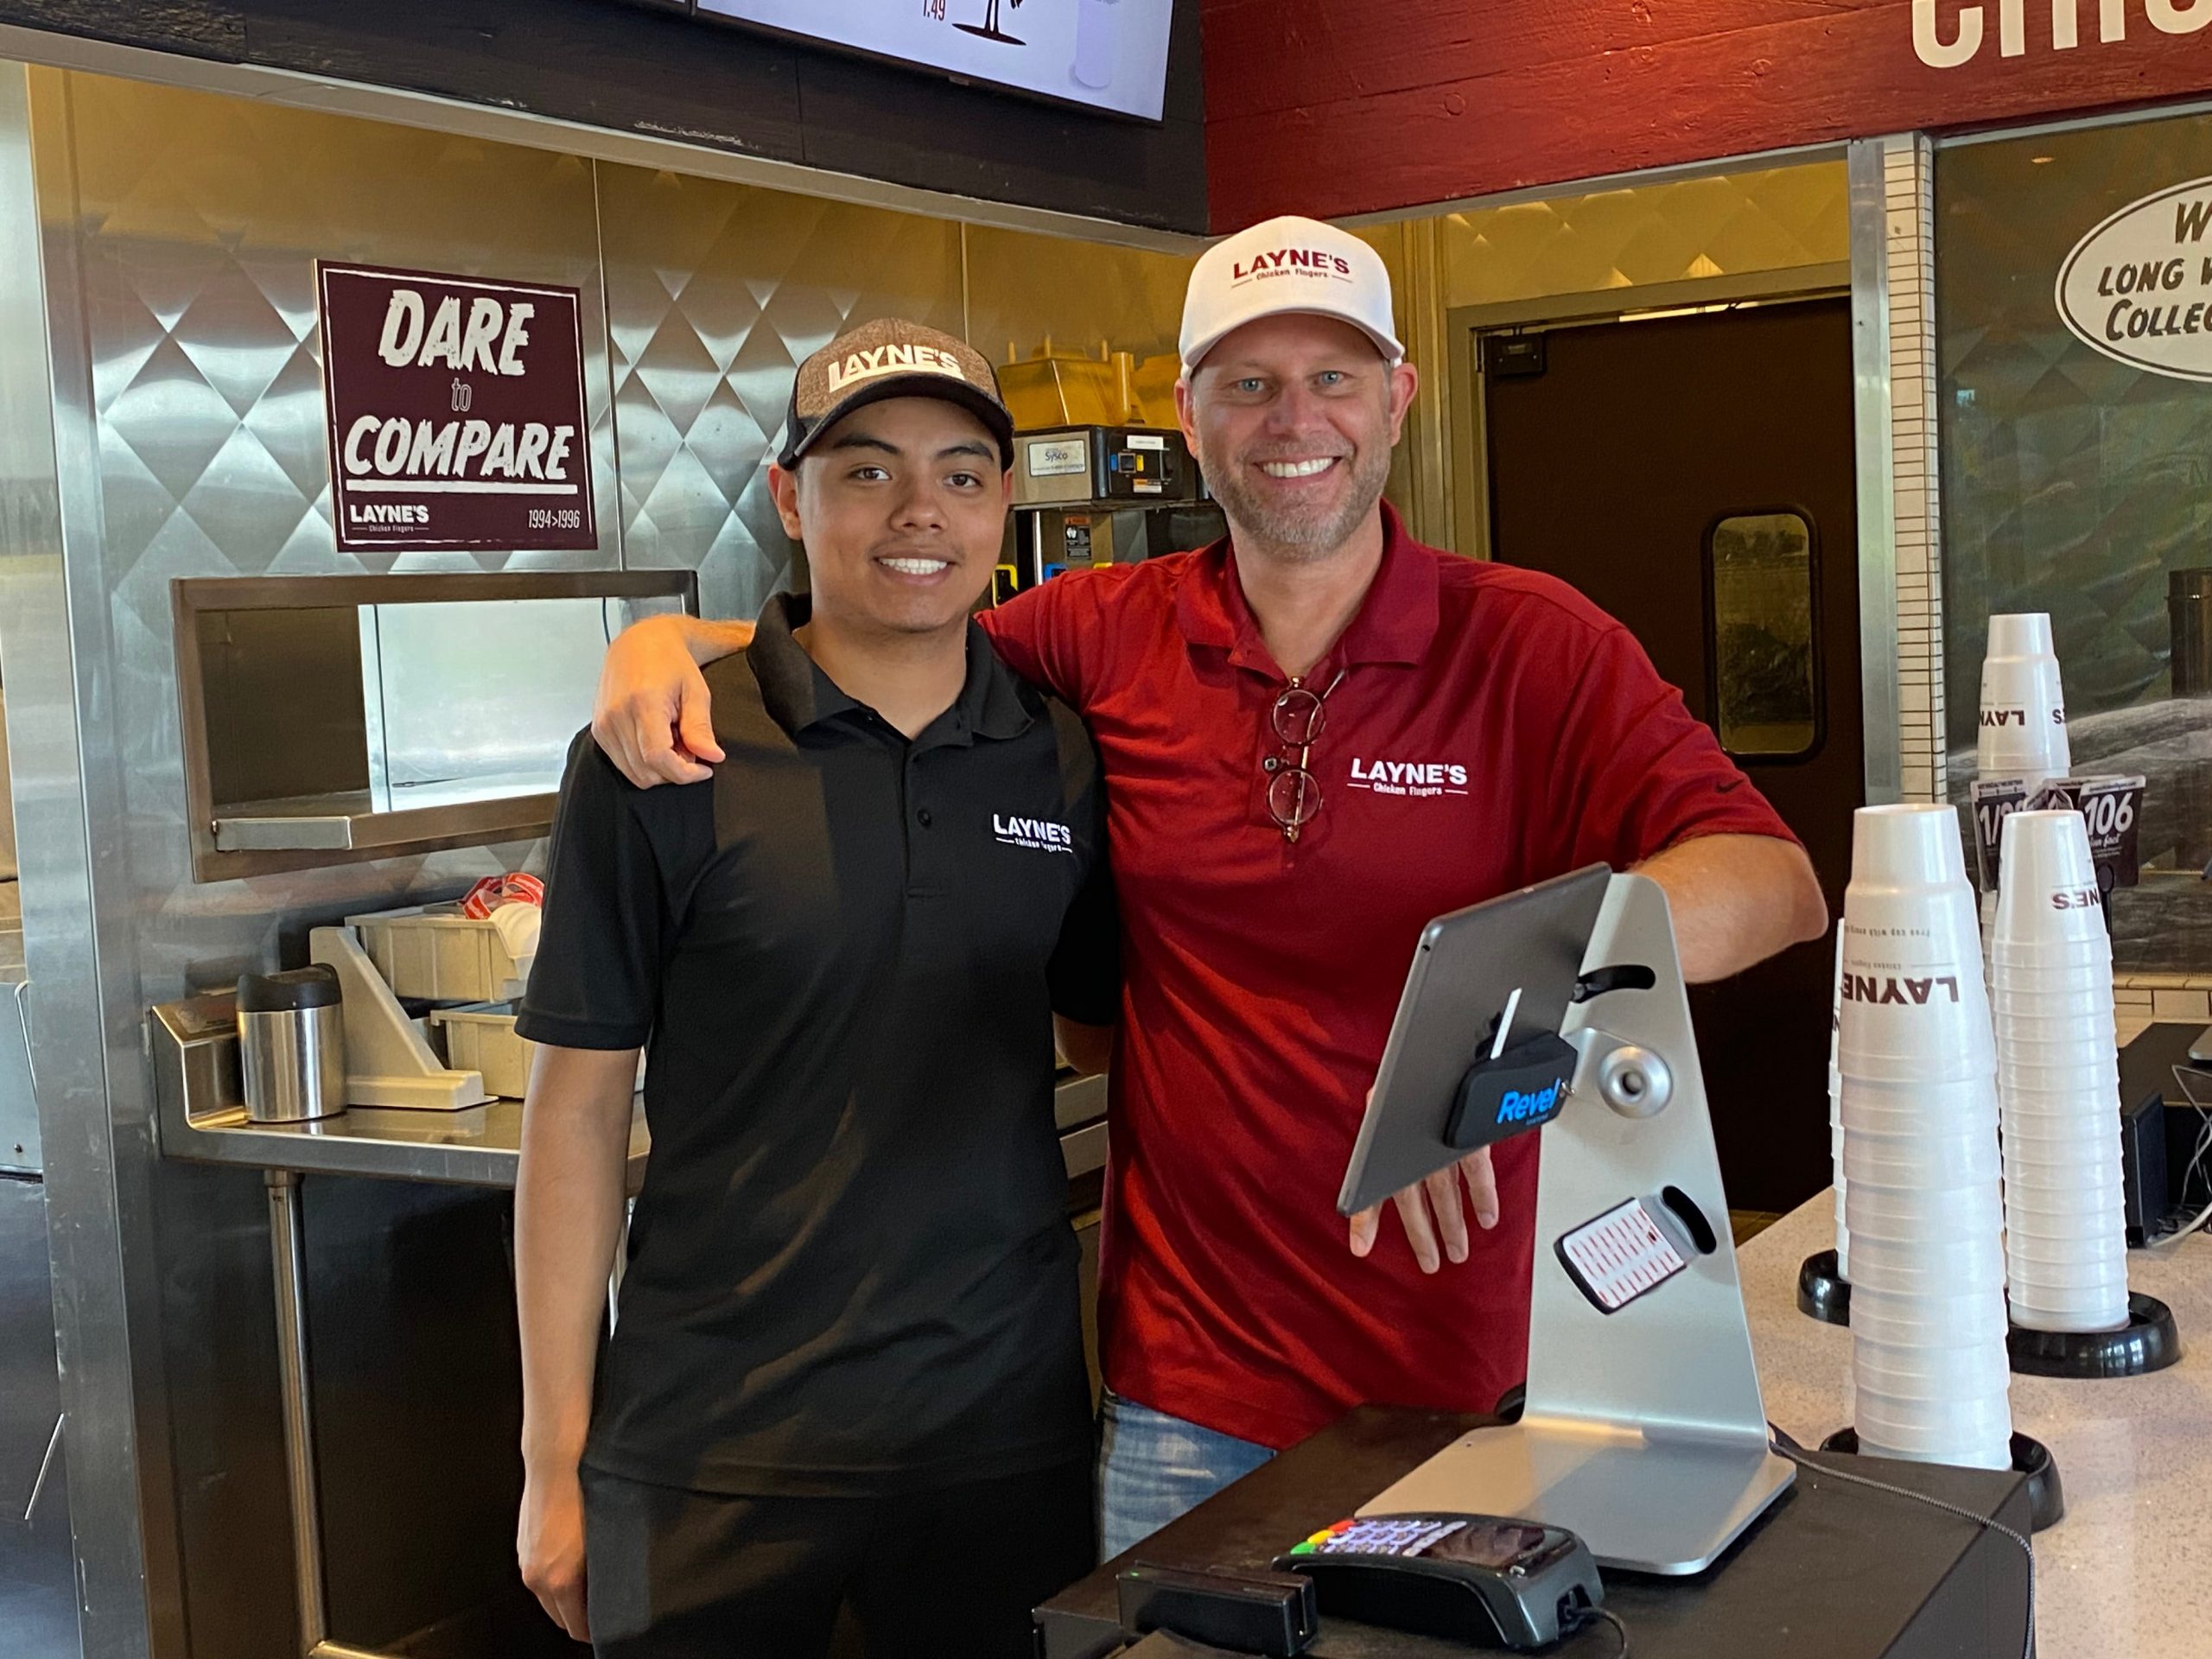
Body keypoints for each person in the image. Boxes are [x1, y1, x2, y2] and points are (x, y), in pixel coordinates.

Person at [588, 217, 1833, 1558]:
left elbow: (1771, 881)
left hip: (1474, 1377)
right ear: (1190, 416)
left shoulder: (1532, 644)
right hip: (1190, 1394)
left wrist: (1510, 1005)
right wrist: (665, 638)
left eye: (1333, 378)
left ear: (1398, 400)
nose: (1294, 419)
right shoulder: (1100, 629)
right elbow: (883, 624)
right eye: (1247, 384)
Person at [512, 318, 1119, 1658]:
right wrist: (554, 1458)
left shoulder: (1062, 758)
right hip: (710, 1447)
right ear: (790, 497)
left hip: (998, 1442)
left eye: (963, 475)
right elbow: (573, 1115)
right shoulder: (665, 751)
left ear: (1004, 506)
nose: (920, 513)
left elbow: (1099, 1029)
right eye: (865, 472)